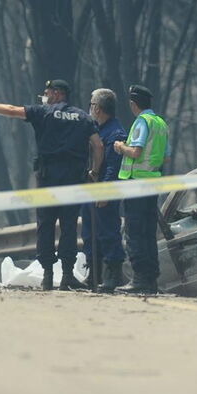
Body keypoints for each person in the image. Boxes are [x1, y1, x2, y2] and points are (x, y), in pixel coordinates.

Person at [0, 79, 103, 291]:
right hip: (73, 180)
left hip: (48, 178)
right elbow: (98, 145)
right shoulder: (83, 117)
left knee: (46, 224)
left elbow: (12, 110)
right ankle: (68, 275)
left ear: (57, 94)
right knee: (68, 224)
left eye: (47, 92)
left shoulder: (44, 112)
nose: (44, 96)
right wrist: (94, 172)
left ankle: (47, 275)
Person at [113, 84, 170, 294]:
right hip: (153, 183)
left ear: (132, 104)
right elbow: (166, 157)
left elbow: (135, 152)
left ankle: (139, 280)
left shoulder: (142, 122)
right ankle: (151, 280)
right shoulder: (161, 123)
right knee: (148, 232)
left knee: (134, 232)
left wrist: (120, 147)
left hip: (136, 182)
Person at [80, 88, 127, 293]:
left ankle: (112, 274)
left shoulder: (115, 132)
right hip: (91, 190)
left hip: (105, 191)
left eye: (91, 105)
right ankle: (94, 273)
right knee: (90, 233)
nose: (89, 108)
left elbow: (113, 166)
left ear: (98, 108)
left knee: (108, 232)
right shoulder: (96, 129)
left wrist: (105, 191)